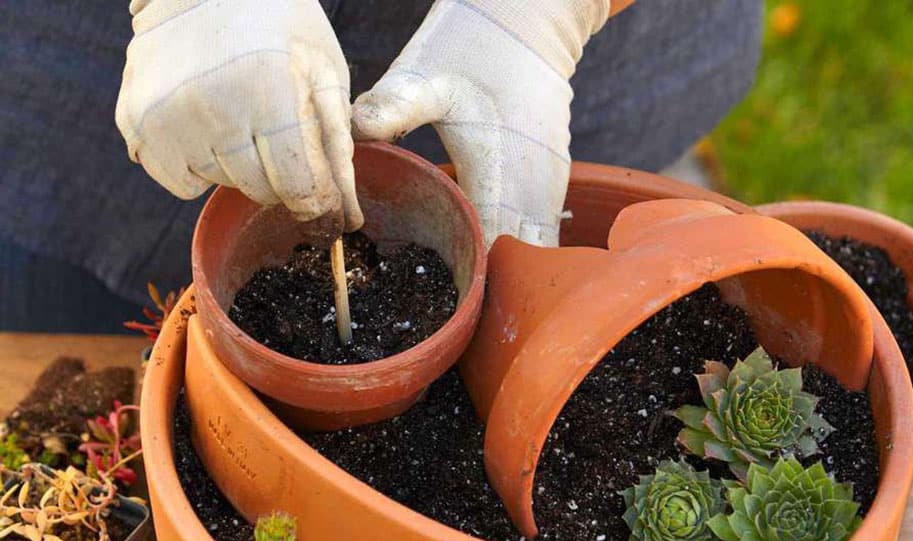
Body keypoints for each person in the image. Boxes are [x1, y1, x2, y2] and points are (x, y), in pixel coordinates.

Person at [0, 1, 762, 333]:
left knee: (531, 254)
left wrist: (537, 17)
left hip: (586, 56)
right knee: (78, 364)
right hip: (91, 59)